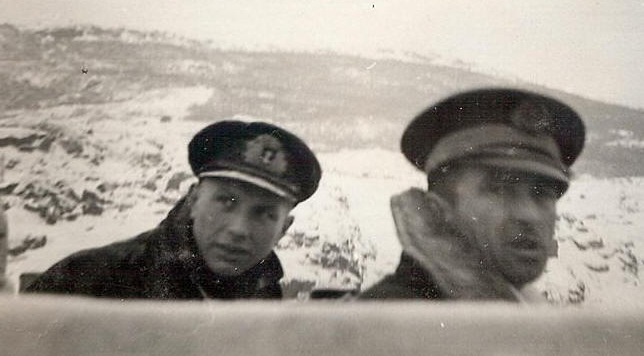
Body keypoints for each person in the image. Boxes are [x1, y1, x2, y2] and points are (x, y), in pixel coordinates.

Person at [25, 121, 321, 299]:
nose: (238, 229)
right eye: (226, 202)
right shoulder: (86, 281)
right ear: (193, 200)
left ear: (283, 229)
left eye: (264, 214)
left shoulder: (263, 293)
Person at [360, 88, 585, 301]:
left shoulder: (523, 313)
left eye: (542, 193)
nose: (529, 215)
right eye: (499, 189)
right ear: (438, 210)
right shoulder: (386, 321)